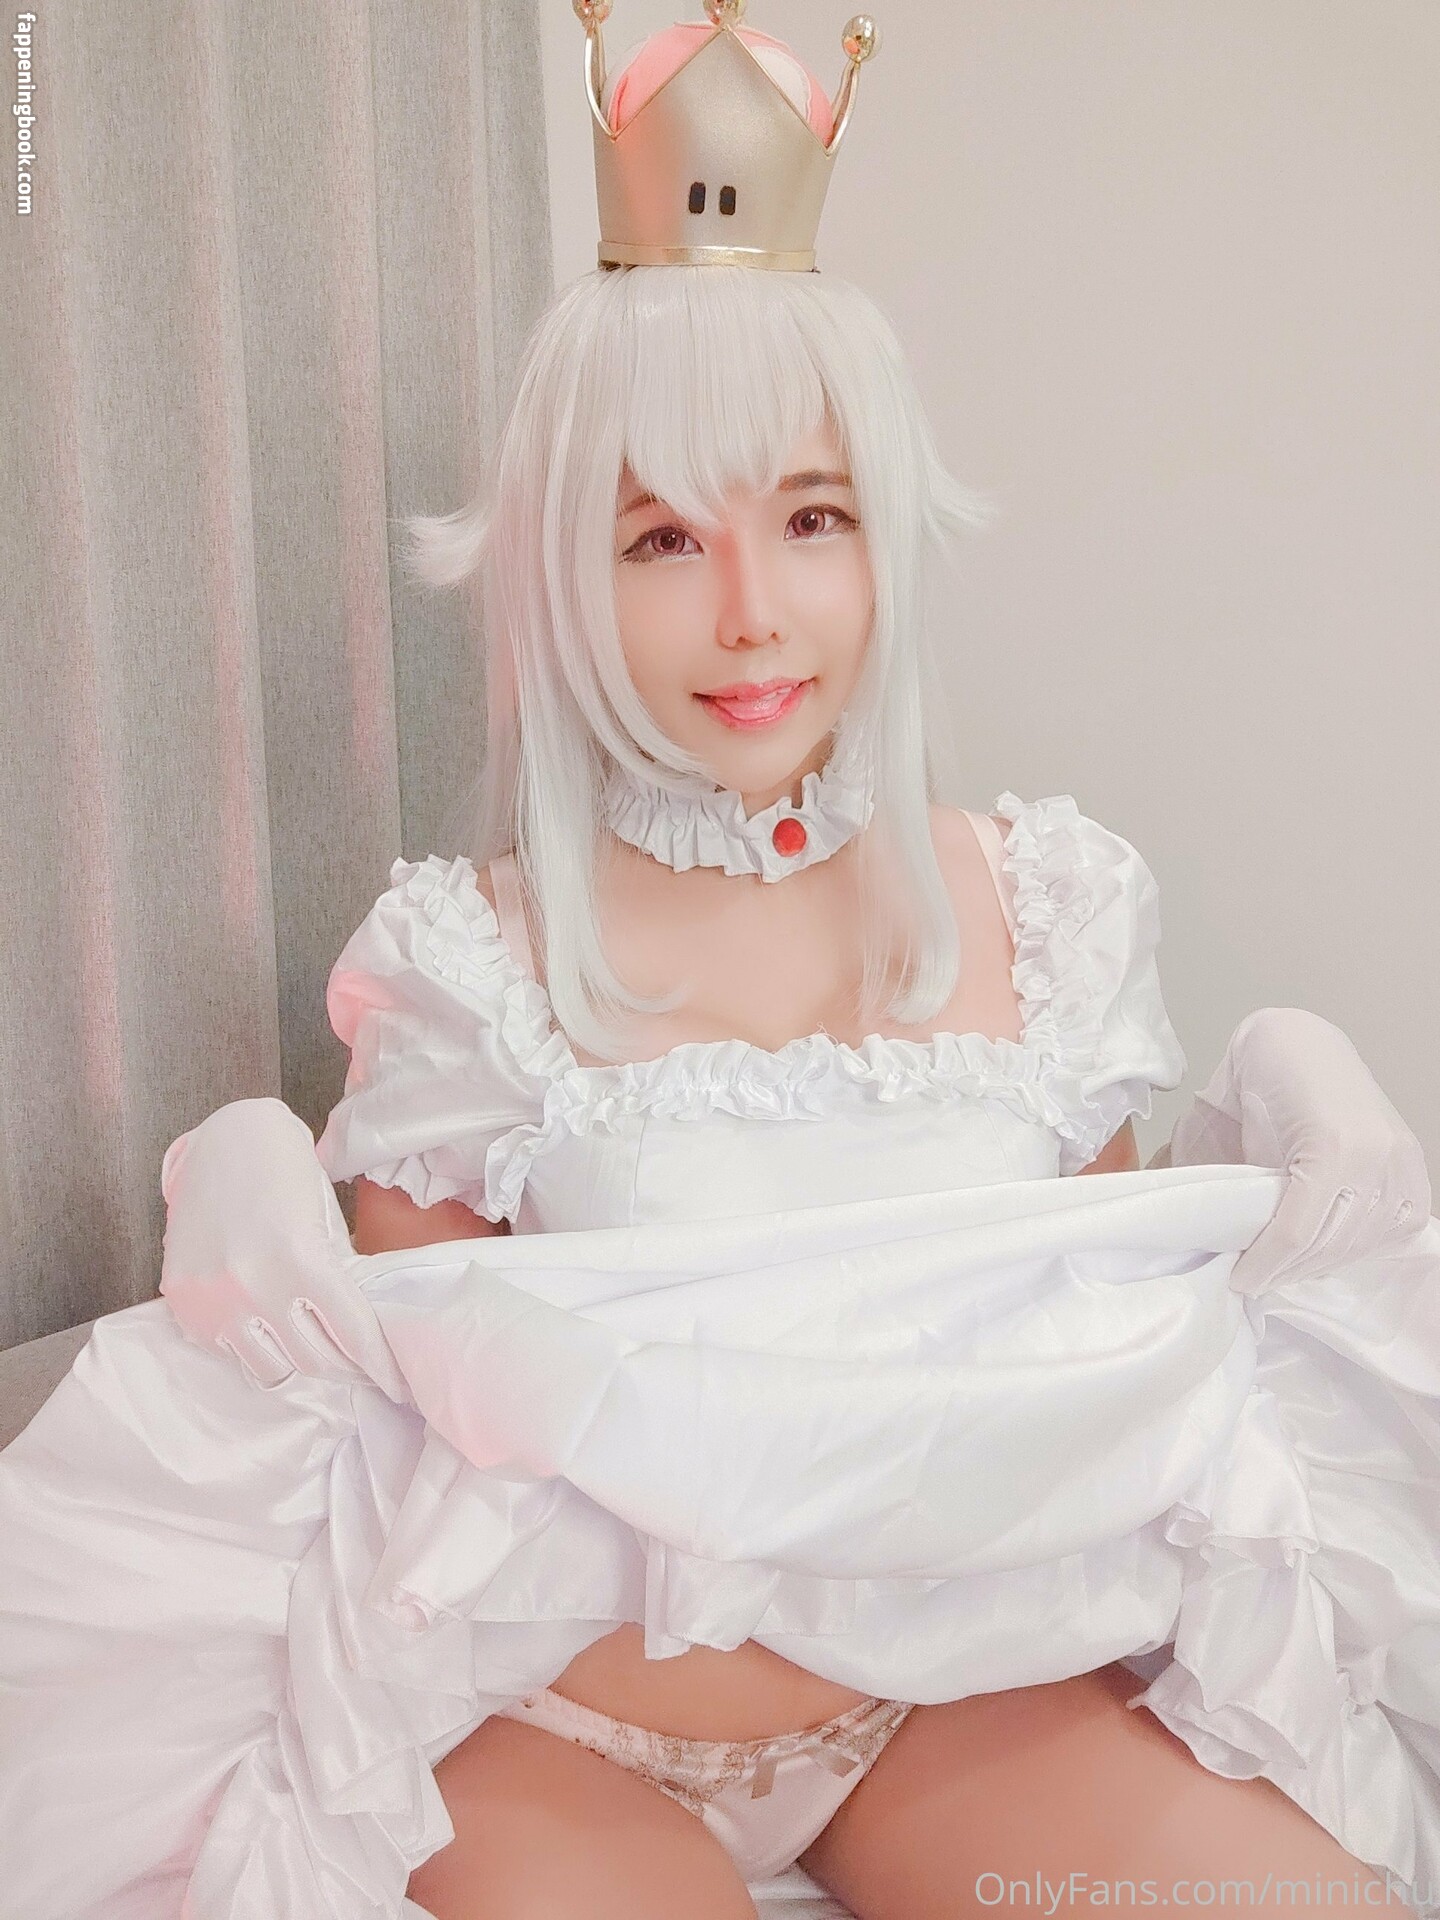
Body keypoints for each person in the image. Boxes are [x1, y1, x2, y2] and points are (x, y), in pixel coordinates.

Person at [1, 7, 1436, 1919]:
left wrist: (1285, 1178)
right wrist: (260, 1206)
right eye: (664, 538)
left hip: (948, 1712)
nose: (752, 611)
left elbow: (1098, 1380)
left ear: (887, 540)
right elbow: (405, 1466)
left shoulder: (1058, 910)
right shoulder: (464, 968)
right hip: (542, 1733)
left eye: (811, 518)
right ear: (561, 573)